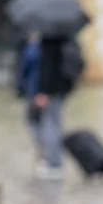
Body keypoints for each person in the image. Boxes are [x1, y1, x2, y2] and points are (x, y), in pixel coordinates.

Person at [30, 32, 82, 179]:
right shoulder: (67, 39)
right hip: (62, 89)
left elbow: (46, 69)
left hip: (50, 91)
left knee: (50, 125)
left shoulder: (49, 42)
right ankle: (55, 160)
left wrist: (42, 92)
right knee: (55, 123)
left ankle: (53, 162)